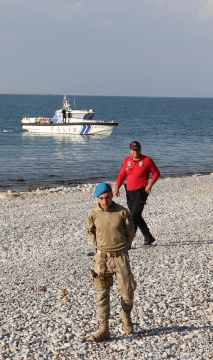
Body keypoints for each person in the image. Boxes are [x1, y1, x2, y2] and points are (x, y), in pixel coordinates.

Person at [85, 183, 136, 342]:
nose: (105, 201)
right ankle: (104, 328)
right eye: (101, 198)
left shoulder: (122, 212)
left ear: (111, 196)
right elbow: (91, 233)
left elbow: (130, 233)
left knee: (127, 292)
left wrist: (123, 248)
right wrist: (100, 248)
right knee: (102, 295)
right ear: (97, 199)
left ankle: (126, 314)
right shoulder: (92, 214)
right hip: (102, 259)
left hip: (120, 257)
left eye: (107, 197)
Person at [115, 141, 160, 245]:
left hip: (141, 191)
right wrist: (117, 188)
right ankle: (148, 237)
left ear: (140, 149)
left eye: (137, 149)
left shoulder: (147, 160)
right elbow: (122, 175)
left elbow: (156, 173)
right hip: (129, 192)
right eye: (133, 149)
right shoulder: (127, 161)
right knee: (136, 215)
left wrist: (150, 185)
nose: (135, 151)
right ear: (130, 150)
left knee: (133, 216)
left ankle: (128, 242)